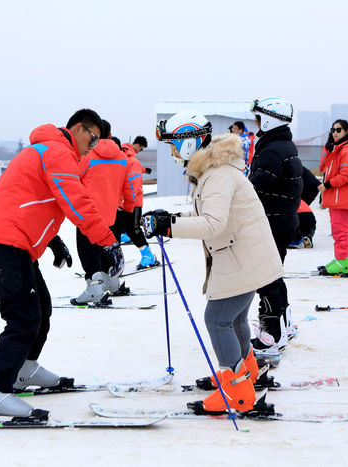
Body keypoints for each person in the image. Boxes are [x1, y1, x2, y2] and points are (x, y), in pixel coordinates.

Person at [0, 109, 125, 420]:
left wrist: (52, 240)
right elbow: (75, 202)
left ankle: (24, 369)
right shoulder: (58, 151)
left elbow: (37, 197)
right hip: (7, 240)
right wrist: (107, 242)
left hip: (17, 240)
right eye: (92, 138)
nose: (92, 146)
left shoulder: (49, 150)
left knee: (40, 308)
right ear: (79, 129)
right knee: (24, 317)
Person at [143, 111, 282, 414]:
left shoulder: (216, 175)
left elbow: (213, 224)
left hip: (241, 258)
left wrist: (168, 227)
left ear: (190, 142)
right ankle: (242, 374)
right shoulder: (214, 172)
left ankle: (236, 393)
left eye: (174, 145)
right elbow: (208, 217)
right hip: (246, 257)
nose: (172, 152)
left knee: (217, 320)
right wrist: (171, 219)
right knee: (234, 320)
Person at [247, 97, 303, 356]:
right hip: (280, 220)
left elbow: (255, 188)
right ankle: (284, 322)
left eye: (259, 118)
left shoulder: (271, 150)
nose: (257, 123)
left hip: (271, 222)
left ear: (270, 119)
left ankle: (272, 335)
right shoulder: (282, 144)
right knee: (274, 273)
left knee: (265, 278)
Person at [73, 120, 134, 304]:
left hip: (88, 214)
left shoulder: (88, 156)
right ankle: (112, 283)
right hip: (111, 214)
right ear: (110, 135)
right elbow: (129, 189)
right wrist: (129, 212)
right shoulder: (123, 158)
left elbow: (73, 180)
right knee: (108, 250)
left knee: (88, 251)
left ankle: (95, 289)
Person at [317, 119, 348, 275]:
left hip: (343, 197)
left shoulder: (347, 150)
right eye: (333, 130)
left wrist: (328, 184)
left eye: (338, 130)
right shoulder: (337, 149)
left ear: (346, 132)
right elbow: (324, 167)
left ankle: (344, 262)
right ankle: (340, 259)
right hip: (337, 197)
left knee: (341, 231)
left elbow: (347, 175)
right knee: (337, 231)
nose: (335, 133)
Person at [119, 136, 157, 269]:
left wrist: (128, 200)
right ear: (137, 145)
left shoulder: (128, 159)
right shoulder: (128, 159)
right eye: (141, 148)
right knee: (127, 229)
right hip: (125, 202)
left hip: (132, 202)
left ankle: (148, 256)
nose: (140, 151)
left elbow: (134, 181)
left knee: (133, 229)